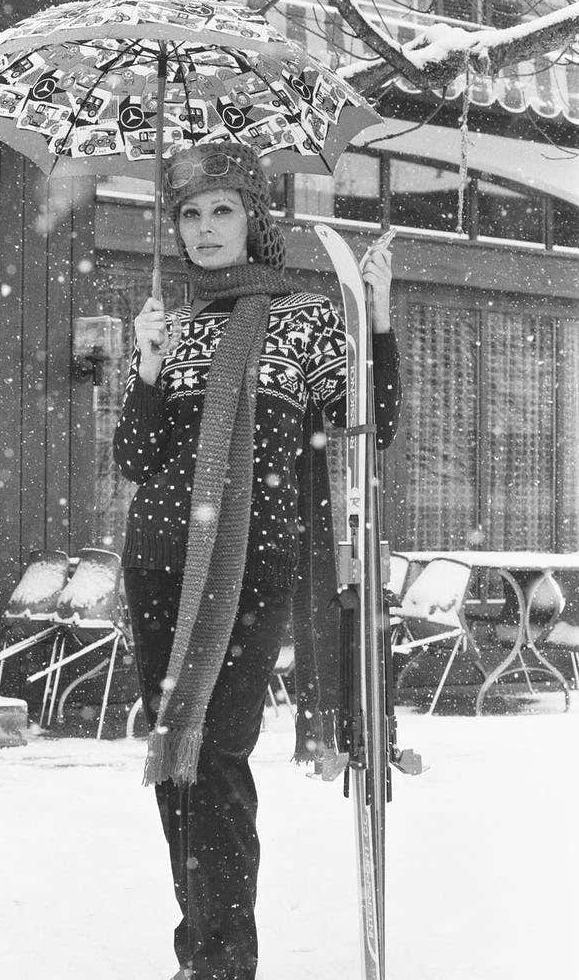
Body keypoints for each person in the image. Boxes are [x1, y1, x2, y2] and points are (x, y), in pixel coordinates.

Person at [112, 142, 400, 980]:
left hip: (252, 560)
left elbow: (368, 425)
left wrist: (375, 317)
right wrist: (150, 366)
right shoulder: (174, 324)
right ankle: (200, 950)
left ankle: (224, 962)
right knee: (175, 758)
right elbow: (136, 457)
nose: (204, 229)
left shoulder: (305, 317)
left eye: (222, 211)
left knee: (217, 755)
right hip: (160, 558)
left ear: (254, 221)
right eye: (190, 215)